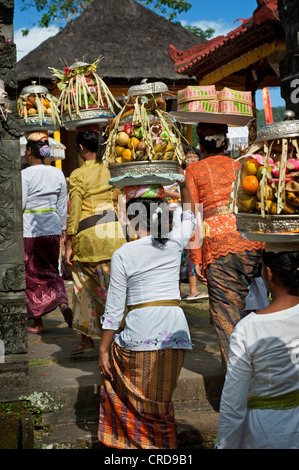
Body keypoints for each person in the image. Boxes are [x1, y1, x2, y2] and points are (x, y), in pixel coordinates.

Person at [98, 180, 197, 449]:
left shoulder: (123, 253)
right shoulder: (173, 242)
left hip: (140, 335)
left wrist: (104, 349)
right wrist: (185, 184)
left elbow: (115, 309)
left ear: (133, 218)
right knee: (160, 404)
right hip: (175, 335)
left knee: (125, 389)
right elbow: (190, 215)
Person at [186, 122, 263, 370]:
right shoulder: (239, 164)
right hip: (250, 239)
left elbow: (193, 216)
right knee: (254, 310)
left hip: (217, 245)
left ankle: (238, 386)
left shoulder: (194, 170)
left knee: (227, 316)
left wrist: (196, 258)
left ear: (200, 143)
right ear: (226, 142)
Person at [215, 246, 299, 449]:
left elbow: (233, 402)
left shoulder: (248, 328)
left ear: (269, 274)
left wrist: (224, 445)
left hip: (268, 431)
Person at [65, 130, 126, 355]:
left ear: (80, 148)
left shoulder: (79, 174)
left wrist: (69, 243)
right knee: (114, 290)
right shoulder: (112, 169)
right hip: (114, 235)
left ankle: (88, 338)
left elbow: (76, 210)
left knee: (83, 290)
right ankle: (117, 336)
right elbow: (120, 202)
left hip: (89, 238)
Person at [22, 132, 72, 334]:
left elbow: (22, 203)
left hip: (30, 228)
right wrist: (62, 228)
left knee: (32, 274)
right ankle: (62, 304)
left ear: (28, 152)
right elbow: (62, 205)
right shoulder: (57, 173)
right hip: (52, 227)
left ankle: (38, 321)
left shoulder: (24, 175)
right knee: (52, 270)